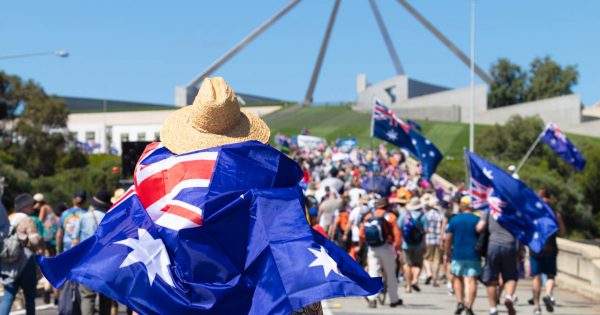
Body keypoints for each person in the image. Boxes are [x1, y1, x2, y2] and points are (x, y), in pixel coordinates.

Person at [0, 193, 43, 315]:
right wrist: (40, 240)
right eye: (30, 206)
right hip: (25, 261)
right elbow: (34, 241)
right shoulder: (28, 220)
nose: (33, 208)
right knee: (29, 297)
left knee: (8, 296)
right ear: (25, 207)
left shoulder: (9, 217)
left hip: (7, 262)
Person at [72, 189, 113, 315]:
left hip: (87, 261)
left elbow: (75, 242)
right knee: (106, 296)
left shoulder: (84, 217)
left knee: (87, 296)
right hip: (107, 262)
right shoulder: (111, 218)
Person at [359, 198, 402, 308]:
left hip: (372, 247)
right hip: (386, 247)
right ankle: (394, 300)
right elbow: (397, 235)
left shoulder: (368, 216)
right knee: (390, 274)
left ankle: (372, 299)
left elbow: (362, 234)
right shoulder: (390, 217)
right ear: (387, 206)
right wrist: (397, 247)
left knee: (374, 273)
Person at [477, 204, 520, 315]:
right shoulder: (514, 209)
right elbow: (520, 232)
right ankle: (509, 297)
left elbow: (480, 227)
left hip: (493, 245)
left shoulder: (490, 207)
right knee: (511, 276)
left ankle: (493, 309)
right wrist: (519, 252)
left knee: (491, 279)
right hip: (510, 245)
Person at [530, 190, 565, 315]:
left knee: (536, 277)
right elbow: (562, 231)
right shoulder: (555, 214)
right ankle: (548, 294)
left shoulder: (532, 214)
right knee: (550, 275)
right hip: (550, 247)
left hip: (536, 248)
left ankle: (536, 307)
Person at [445, 196, 481, 315]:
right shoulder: (477, 219)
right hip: (474, 254)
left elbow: (448, 238)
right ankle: (469, 306)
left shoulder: (455, 220)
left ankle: (460, 302)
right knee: (472, 280)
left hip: (458, 253)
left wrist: (447, 253)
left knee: (457, 277)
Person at [398, 197, 428, 293]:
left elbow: (399, 227)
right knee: (418, 264)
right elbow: (426, 231)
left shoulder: (405, 215)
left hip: (406, 244)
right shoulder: (423, 216)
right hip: (418, 244)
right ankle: (415, 279)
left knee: (407, 264)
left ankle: (408, 286)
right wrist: (424, 243)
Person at [423, 193, 443, 287]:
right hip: (438, 239)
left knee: (426, 259)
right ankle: (435, 279)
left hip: (428, 239)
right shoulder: (440, 214)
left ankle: (429, 273)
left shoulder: (427, 214)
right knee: (437, 260)